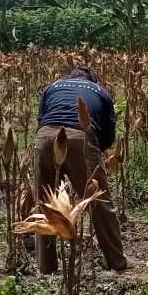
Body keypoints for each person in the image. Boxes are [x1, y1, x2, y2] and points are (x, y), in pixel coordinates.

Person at [32, 66, 129, 272]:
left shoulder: (53, 86)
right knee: (99, 201)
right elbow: (108, 133)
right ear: (93, 80)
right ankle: (117, 261)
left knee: (45, 203)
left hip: (44, 138)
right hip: (79, 138)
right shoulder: (100, 91)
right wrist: (93, 154)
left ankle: (46, 268)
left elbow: (41, 121)